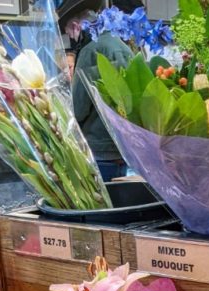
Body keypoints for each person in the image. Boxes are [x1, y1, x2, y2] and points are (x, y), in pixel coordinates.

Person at [70, 5, 135, 182]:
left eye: (69, 32)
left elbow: (79, 107)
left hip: (100, 149)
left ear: (77, 26)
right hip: (125, 148)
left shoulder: (90, 51)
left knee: (103, 204)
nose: (71, 38)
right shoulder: (124, 47)